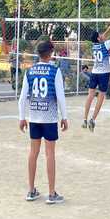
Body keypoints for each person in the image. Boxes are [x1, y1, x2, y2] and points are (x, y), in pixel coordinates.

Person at [19, 41, 68, 204]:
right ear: (50, 53)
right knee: (50, 154)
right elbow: (60, 97)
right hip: (49, 118)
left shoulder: (30, 71)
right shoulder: (55, 71)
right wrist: (64, 117)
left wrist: (22, 117)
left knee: (33, 153)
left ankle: (31, 190)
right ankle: (51, 193)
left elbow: (22, 98)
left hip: (34, 117)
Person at [83, 9, 110, 132]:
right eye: (100, 35)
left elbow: (103, 36)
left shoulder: (94, 45)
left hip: (94, 73)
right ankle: (93, 119)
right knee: (101, 97)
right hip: (103, 74)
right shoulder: (105, 45)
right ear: (99, 38)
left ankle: (85, 119)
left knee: (90, 95)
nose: (103, 35)